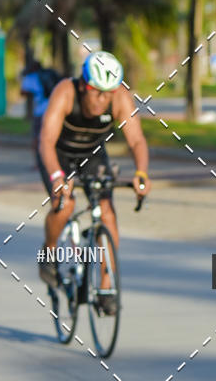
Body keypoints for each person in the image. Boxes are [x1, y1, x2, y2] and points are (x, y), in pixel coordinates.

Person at [37, 51, 151, 303]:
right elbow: (46, 141)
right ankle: (49, 252)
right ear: (83, 85)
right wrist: (57, 176)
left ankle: (106, 288)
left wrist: (141, 173)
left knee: (107, 213)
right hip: (58, 153)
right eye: (96, 92)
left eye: (108, 93)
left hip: (92, 154)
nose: (102, 99)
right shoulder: (65, 92)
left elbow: (136, 140)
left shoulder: (119, 97)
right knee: (65, 205)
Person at [20, 60, 62, 165]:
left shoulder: (31, 78)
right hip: (54, 109)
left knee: (37, 137)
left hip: (40, 111)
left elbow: (23, 92)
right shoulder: (49, 75)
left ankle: (38, 163)